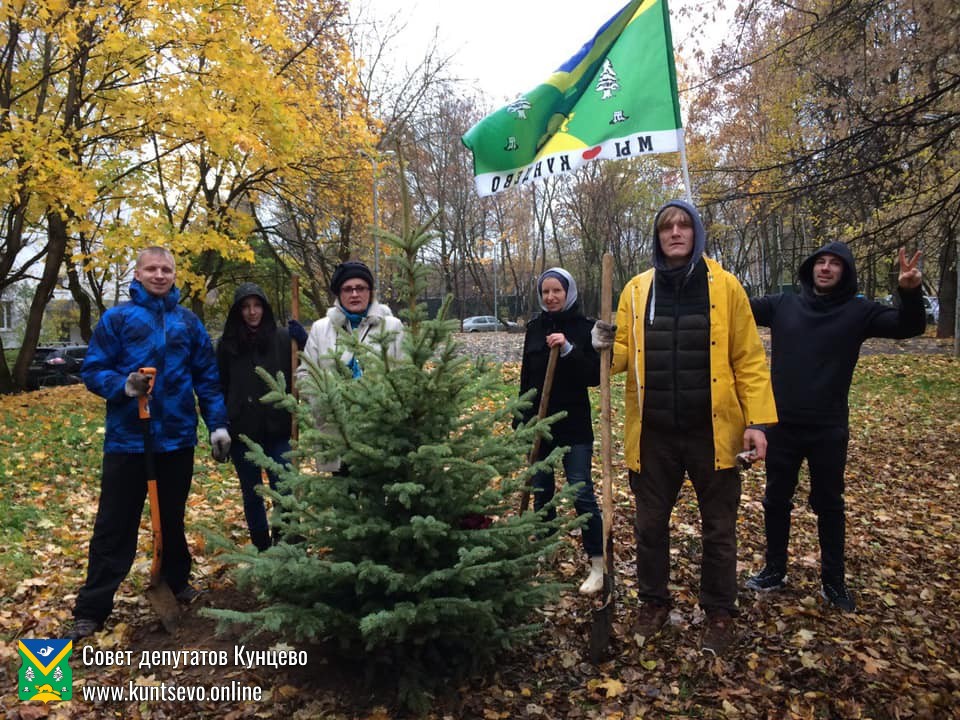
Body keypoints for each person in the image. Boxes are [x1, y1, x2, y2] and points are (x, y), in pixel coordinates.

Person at [592, 199, 777, 655]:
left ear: (695, 232)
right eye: (665, 227)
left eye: (682, 225)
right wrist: (599, 342)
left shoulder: (726, 287)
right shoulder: (636, 291)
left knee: (719, 528)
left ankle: (719, 612)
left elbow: (749, 358)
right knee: (649, 526)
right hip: (653, 433)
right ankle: (652, 603)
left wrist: (757, 422)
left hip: (712, 431)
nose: (674, 232)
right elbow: (620, 361)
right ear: (657, 237)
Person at [745, 243, 925, 612]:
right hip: (782, 425)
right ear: (810, 268)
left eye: (834, 264)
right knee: (776, 500)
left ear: (846, 272)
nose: (825, 269)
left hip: (828, 427)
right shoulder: (783, 305)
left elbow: (909, 326)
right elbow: (732, 306)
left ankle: (834, 581)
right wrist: (709, 272)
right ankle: (775, 570)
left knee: (829, 504)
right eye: (820, 263)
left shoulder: (858, 311)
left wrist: (910, 290)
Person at [68, 247, 230, 641]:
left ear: (175, 275)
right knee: (114, 524)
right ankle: (92, 608)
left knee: (170, 518)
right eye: (151, 269)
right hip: (128, 441)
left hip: (175, 439)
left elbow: (207, 378)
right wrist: (123, 385)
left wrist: (218, 426)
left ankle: (176, 582)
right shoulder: (117, 319)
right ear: (138, 274)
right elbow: (93, 370)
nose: (159, 275)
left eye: (166, 269)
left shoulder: (188, 323)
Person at [516, 268, 604, 595]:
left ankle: (597, 562)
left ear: (570, 292)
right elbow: (527, 378)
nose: (551, 297)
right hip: (540, 424)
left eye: (557, 291)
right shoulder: (535, 328)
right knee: (542, 492)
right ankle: (545, 551)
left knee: (581, 491)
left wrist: (568, 348)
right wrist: (521, 421)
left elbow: (593, 376)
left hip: (574, 425)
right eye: (546, 292)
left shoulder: (585, 328)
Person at [217, 283, 308, 551]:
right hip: (242, 431)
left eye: (257, 306)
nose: (252, 312)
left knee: (284, 488)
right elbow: (220, 384)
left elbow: (306, 367)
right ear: (238, 311)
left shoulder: (282, 339)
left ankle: (286, 541)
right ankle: (261, 547)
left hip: (279, 428)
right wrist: (223, 419)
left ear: (265, 308)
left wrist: (302, 342)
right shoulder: (227, 344)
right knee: (253, 492)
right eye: (245, 307)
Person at [298, 260, 404, 471]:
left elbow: (404, 374)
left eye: (360, 288)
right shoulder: (321, 329)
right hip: (336, 432)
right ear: (339, 294)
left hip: (379, 432)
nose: (354, 294)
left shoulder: (392, 326)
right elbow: (305, 375)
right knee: (343, 495)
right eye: (348, 289)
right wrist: (324, 401)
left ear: (370, 292)